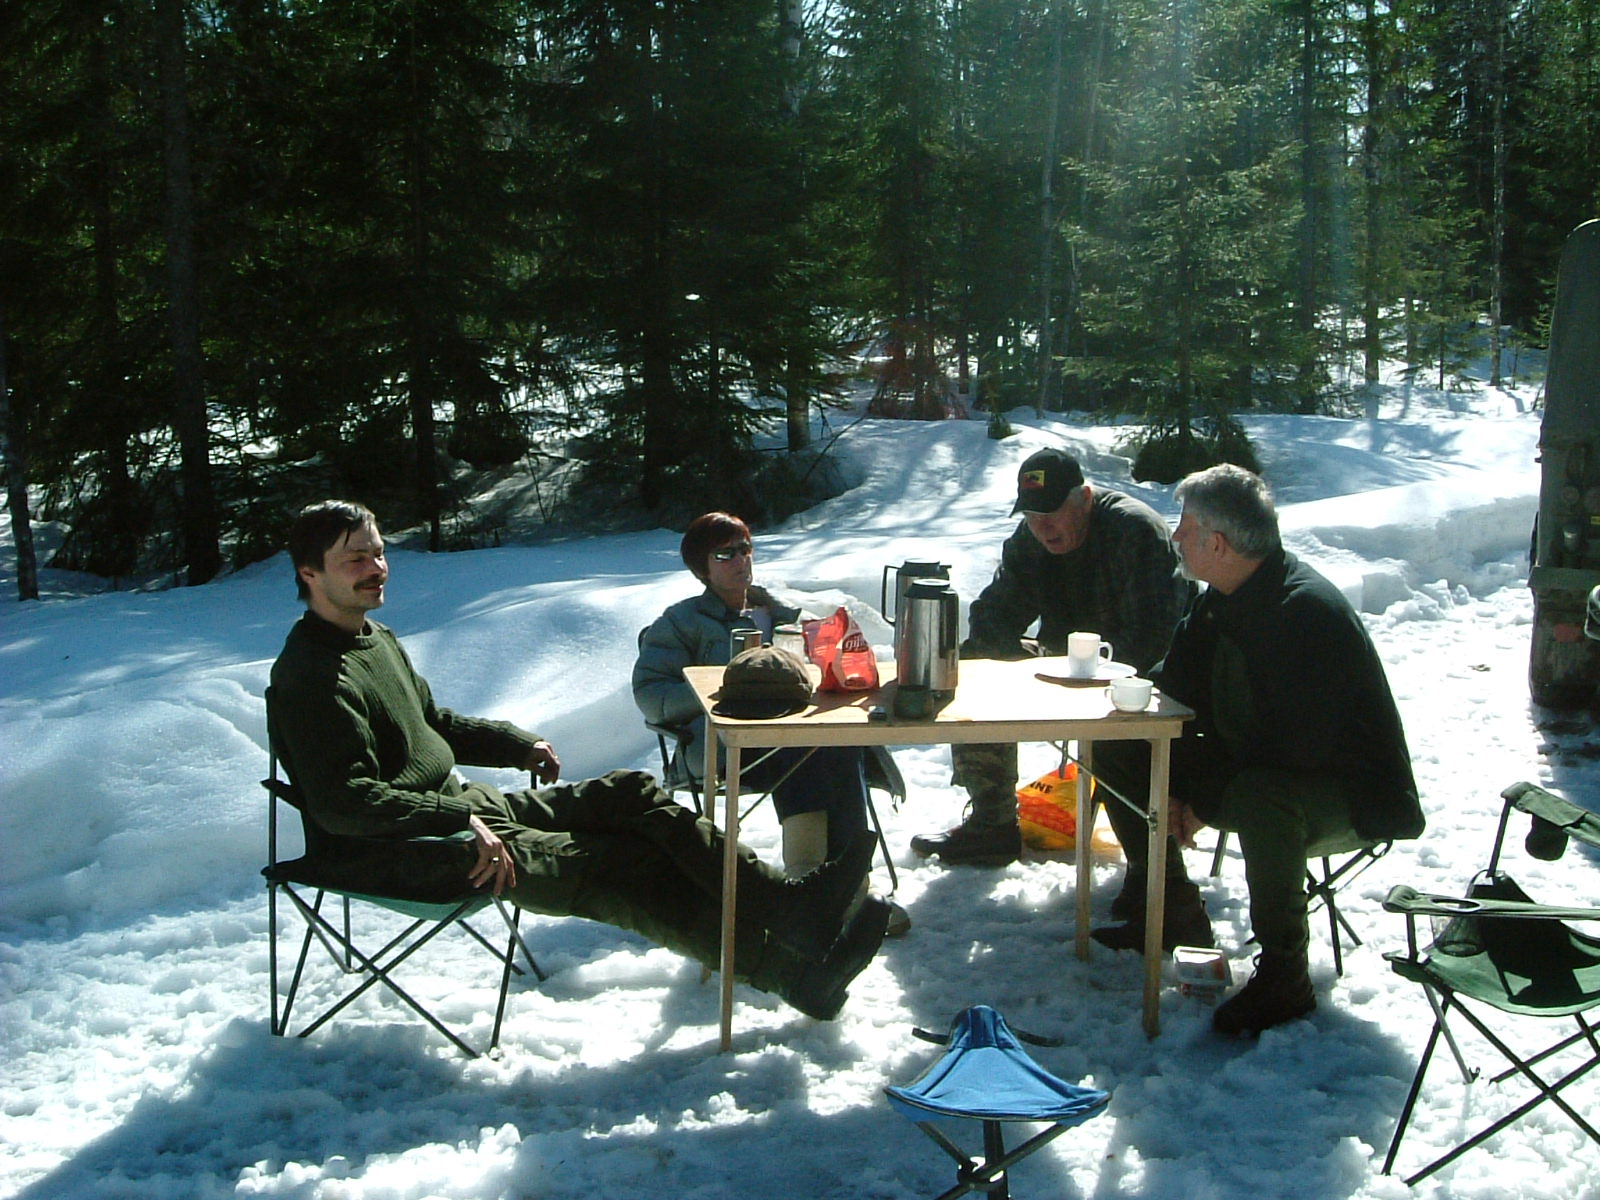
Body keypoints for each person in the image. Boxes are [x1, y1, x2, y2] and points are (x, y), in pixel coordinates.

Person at [268, 500, 890, 1023]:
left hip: (463, 814)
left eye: (379, 554)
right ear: (309, 573)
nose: (376, 569)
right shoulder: (311, 678)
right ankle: (791, 975)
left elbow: (433, 723)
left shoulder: (374, 639)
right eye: (356, 559)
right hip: (404, 848)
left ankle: (787, 907)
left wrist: (516, 744)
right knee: (621, 863)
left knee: (630, 795)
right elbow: (345, 803)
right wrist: (457, 821)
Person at [1088, 465, 1424, 1036]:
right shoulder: (1220, 596)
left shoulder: (1304, 613)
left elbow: (1295, 746)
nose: (1175, 536)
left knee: (1263, 796)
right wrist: (1129, 714)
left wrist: (1202, 803)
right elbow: (1176, 686)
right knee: (1118, 740)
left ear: (1217, 543)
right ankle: (1171, 909)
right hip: (1255, 763)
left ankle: (1286, 975)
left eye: (1185, 527)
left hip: (1346, 791)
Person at [910, 446, 1194, 866]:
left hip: (1147, 677)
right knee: (975, 662)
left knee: (1121, 720)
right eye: (1031, 515)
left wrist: (1084, 677)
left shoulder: (1133, 531)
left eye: (1052, 513)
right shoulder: (1031, 540)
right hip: (1065, 665)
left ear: (1085, 499)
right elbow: (994, 613)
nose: (1042, 527)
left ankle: (1157, 873)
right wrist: (1004, 666)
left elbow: (1154, 635)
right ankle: (992, 822)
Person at [633, 512, 910, 935]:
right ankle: (810, 884)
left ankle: (849, 886)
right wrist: (723, 689)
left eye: (745, 549)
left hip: (796, 736)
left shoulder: (784, 616)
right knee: (804, 748)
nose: (739, 560)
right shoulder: (682, 622)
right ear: (701, 567)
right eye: (724, 554)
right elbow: (651, 695)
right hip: (723, 746)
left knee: (837, 742)